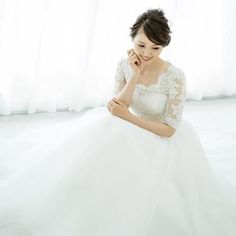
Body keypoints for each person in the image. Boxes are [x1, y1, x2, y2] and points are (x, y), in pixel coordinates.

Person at [0, 8, 235, 236]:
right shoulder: (124, 65)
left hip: (158, 135)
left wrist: (130, 117)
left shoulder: (175, 76)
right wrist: (134, 76)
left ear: (164, 46)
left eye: (156, 48)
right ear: (132, 38)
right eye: (141, 45)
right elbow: (117, 106)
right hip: (127, 126)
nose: (146, 53)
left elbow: (169, 130)